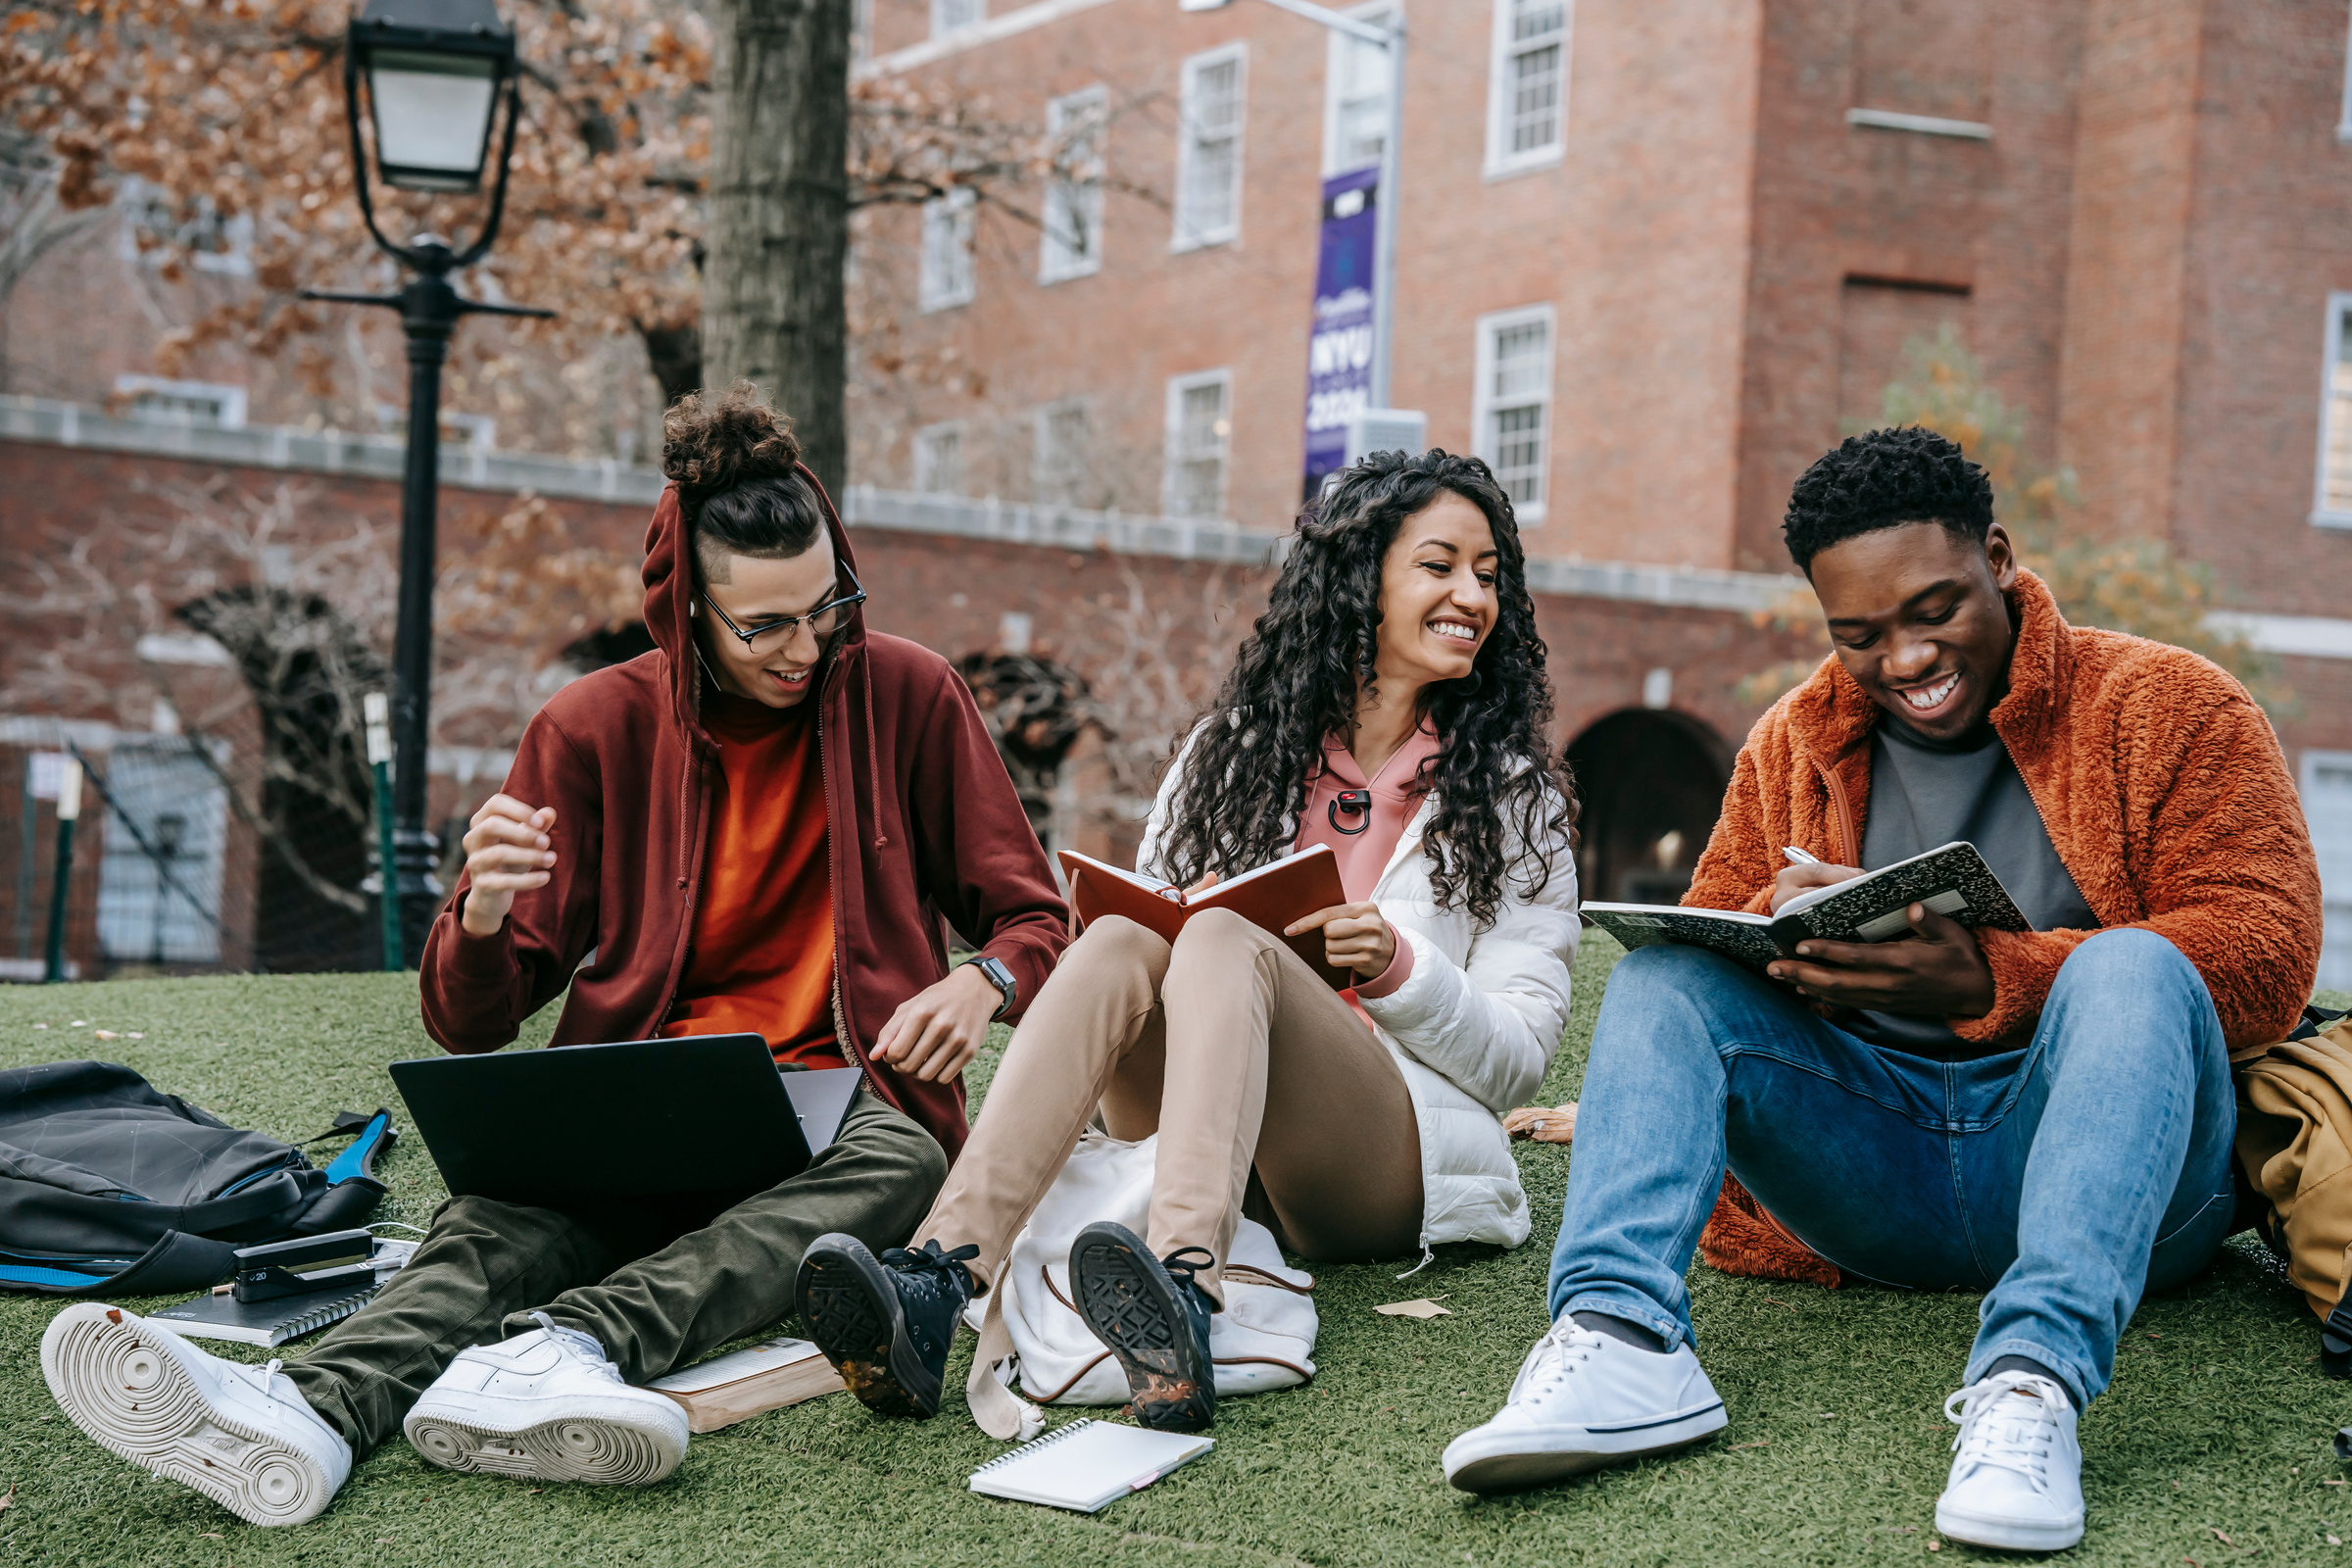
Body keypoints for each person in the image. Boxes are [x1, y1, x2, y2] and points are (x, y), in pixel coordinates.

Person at [38, 385, 1070, 1527]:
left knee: (908, 1167)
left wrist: (984, 977)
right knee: (499, 1216)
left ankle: (568, 1346)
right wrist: (479, 916)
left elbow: (1038, 919)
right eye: (765, 624)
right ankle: (306, 1414)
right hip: (644, 1086)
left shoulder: (911, 696)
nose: (808, 645)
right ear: (686, 611)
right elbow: (469, 1021)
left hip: (844, 1088)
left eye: (828, 606)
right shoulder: (588, 727)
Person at [1444, 427, 2322, 1552]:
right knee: (1668, 974)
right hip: (1872, 1176)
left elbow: (2269, 949)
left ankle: (2030, 1384)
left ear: (1998, 556)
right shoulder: (1794, 739)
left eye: (1933, 611)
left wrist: (1996, 977)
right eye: (1858, 634)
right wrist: (1787, 949)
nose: (1903, 659)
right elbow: (1719, 935)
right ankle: (1619, 1339)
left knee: (2135, 962)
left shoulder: (2172, 705)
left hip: (2120, 1185)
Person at [790, 448, 1581, 1435]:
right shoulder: (1231, 753)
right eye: (1440, 564)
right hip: (1197, 1124)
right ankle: (937, 1277)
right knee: (1129, 934)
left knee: (1222, 943)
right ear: (1359, 580)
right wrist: (1179, 910)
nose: (1473, 593)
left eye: (1490, 573)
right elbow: (1153, 941)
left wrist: (1396, 967)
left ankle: (1182, 1290)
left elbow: (1515, 1060)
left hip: (1375, 1159)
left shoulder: (1512, 797)